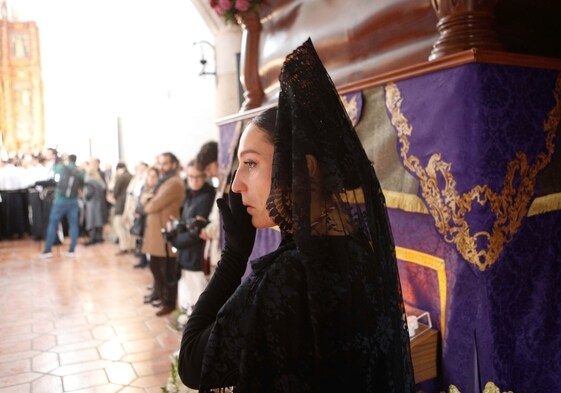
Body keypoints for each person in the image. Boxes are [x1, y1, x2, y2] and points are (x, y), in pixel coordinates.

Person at [178, 39, 415, 392]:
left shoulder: (288, 276)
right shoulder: (360, 251)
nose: (237, 184)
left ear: (302, 169)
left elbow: (193, 363)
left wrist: (233, 255)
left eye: (251, 164)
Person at [167, 159, 215, 327]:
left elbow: (198, 231)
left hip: (197, 254)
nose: (194, 180)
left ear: (205, 176)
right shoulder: (191, 193)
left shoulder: (208, 195)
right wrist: (177, 228)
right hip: (185, 254)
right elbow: (188, 222)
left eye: (198, 177)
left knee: (198, 297)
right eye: (190, 177)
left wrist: (176, 239)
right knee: (186, 294)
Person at [139, 152, 185, 316]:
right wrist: (148, 199)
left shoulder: (173, 183)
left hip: (165, 234)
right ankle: (164, 299)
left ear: (173, 164)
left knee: (167, 270)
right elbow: (146, 199)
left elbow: (151, 206)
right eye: (160, 163)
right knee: (157, 268)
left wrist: (148, 200)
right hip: (156, 234)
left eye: (165, 163)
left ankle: (169, 303)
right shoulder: (163, 182)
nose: (161, 167)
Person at [40, 154, 84, 258]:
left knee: (53, 224)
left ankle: (48, 250)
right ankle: (72, 249)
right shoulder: (80, 171)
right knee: (73, 225)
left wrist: (58, 162)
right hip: (73, 201)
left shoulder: (61, 168)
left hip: (60, 200)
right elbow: (82, 184)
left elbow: (52, 171)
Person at [111, 162, 133, 255]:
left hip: (121, 204)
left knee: (118, 225)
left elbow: (115, 191)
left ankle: (124, 247)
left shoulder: (121, 177)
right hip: (129, 205)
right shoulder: (132, 176)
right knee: (127, 226)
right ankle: (130, 246)